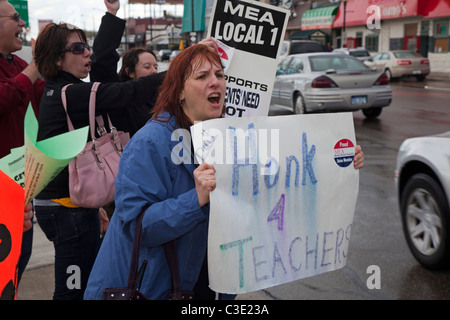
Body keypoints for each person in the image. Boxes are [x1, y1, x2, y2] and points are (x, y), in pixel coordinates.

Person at [83, 43, 365, 300]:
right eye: (202, 76)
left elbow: (278, 183)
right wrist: (196, 199)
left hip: (209, 285)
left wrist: (336, 161)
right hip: (153, 289)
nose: (215, 81)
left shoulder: (233, 139)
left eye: (219, 74)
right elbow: (137, 228)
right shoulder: (150, 142)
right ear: (179, 91)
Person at [33, 1, 164, 300]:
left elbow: (104, 69)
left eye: (86, 46)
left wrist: (111, 16)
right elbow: (125, 91)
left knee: (82, 284)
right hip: (65, 210)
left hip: (72, 207)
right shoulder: (69, 93)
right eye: (78, 49)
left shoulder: (64, 90)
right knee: (72, 290)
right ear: (56, 60)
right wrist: (181, 70)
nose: (87, 52)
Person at [0, 0, 45, 284]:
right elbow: (5, 99)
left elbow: (47, 98)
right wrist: (35, 67)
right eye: (15, 17)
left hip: (20, 182)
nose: (22, 24)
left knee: (19, 255)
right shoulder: (24, 68)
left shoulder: (18, 64)